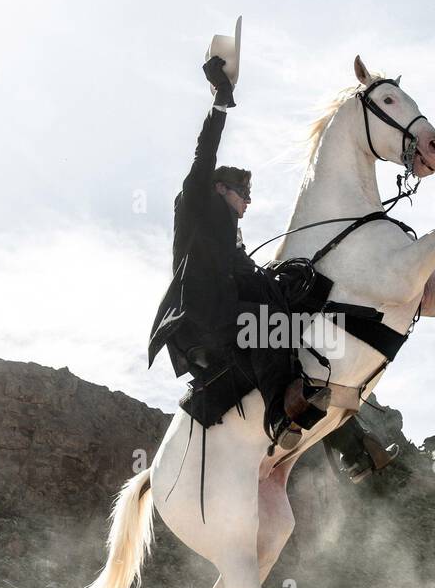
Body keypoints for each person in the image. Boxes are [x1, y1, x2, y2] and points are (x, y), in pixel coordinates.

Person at [148, 51, 400, 472]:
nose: (248, 202)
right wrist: (220, 100)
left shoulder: (234, 239)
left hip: (229, 309)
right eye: (242, 194)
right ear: (220, 189)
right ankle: (277, 418)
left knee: (296, 318)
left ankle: (353, 451)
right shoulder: (195, 202)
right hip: (200, 317)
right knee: (267, 323)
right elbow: (203, 155)